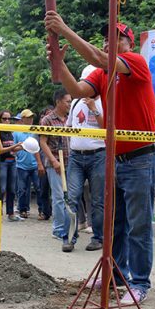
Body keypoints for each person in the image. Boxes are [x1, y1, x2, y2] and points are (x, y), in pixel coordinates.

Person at [45, 12, 155, 304]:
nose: (109, 43)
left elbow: (98, 57)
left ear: (128, 43)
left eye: (116, 38)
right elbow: (76, 91)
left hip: (141, 158)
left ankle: (139, 283)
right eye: (107, 39)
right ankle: (116, 274)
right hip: (116, 159)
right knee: (116, 224)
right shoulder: (102, 73)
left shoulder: (135, 62)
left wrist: (64, 28)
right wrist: (58, 63)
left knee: (139, 224)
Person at [65, 90, 106, 251]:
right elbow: (69, 127)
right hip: (76, 157)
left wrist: (94, 109)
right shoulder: (75, 103)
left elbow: (108, 128)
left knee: (97, 200)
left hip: (98, 156)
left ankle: (98, 238)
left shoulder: (105, 102)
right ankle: (69, 238)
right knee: (72, 198)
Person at [39, 88, 73, 250]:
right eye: (67, 101)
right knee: (59, 197)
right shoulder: (47, 120)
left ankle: (69, 228)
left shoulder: (69, 119)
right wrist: (53, 161)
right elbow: (43, 142)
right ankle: (58, 229)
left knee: (70, 198)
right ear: (58, 101)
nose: (69, 104)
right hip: (55, 163)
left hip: (70, 163)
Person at [13, 109, 44, 219]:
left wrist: (40, 163)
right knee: (22, 189)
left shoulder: (35, 131)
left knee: (39, 188)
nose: (30, 120)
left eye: (31, 117)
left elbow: (39, 148)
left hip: (35, 165)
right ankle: (23, 210)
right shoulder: (16, 132)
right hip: (21, 165)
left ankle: (42, 210)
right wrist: (23, 147)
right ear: (22, 119)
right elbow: (12, 149)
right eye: (28, 117)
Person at [37, 105, 54, 221]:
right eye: (45, 115)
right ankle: (45, 211)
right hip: (44, 162)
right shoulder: (39, 130)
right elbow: (36, 149)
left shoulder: (58, 127)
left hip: (56, 163)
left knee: (58, 191)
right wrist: (40, 164)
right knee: (43, 189)